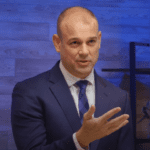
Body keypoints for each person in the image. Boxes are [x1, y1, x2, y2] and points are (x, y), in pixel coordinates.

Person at [11, 6, 135, 150]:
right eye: (75, 43)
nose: (84, 51)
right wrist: (79, 141)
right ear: (58, 43)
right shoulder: (29, 93)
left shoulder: (119, 97)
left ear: (99, 40)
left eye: (91, 42)